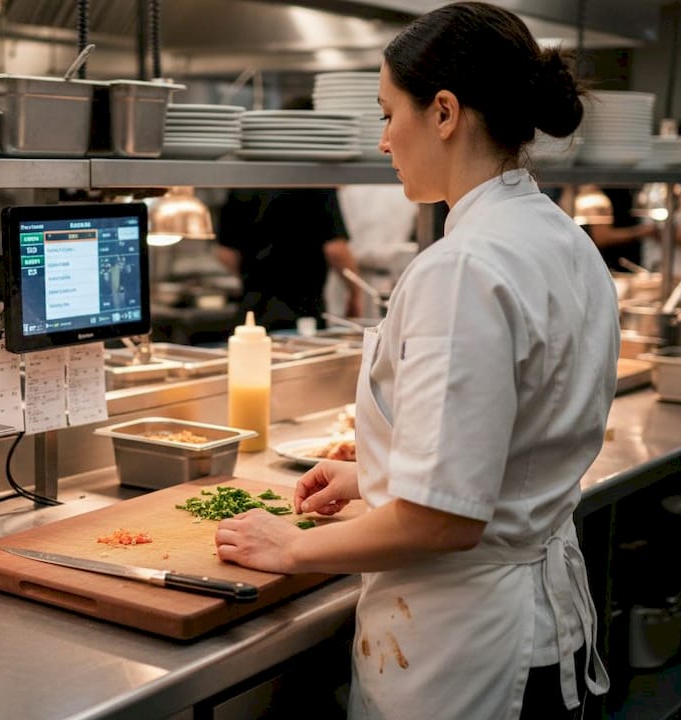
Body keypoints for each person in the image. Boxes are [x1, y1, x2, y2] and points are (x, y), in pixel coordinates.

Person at [213, 3, 615, 718]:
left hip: (467, 661)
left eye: (388, 112)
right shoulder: (561, 237)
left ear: (445, 113)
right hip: (537, 636)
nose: (382, 140)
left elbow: (443, 521)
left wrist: (289, 549)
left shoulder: (463, 267)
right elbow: (499, 451)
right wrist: (379, 471)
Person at [215, 187, 362, 330]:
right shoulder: (316, 182)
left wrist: (254, 276)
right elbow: (335, 250)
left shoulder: (243, 185)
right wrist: (355, 292)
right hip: (304, 310)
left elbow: (225, 254)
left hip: (255, 310)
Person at [329, 184, 420, 320]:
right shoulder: (347, 185)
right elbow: (336, 245)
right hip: (348, 275)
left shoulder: (409, 189)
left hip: (391, 277)